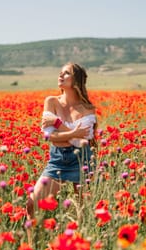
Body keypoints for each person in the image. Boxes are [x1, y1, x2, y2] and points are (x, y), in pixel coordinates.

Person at [26, 62, 97, 223]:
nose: (60, 75)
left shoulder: (87, 108)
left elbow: (80, 143)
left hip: (81, 160)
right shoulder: (51, 101)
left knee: (82, 212)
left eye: (66, 73)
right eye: (60, 72)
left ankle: (80, 245)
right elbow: (49, 136)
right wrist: (73, 133)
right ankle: (32, 247)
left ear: (77, 80)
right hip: (57, 161)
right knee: (32, 205)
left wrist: (58, 125)